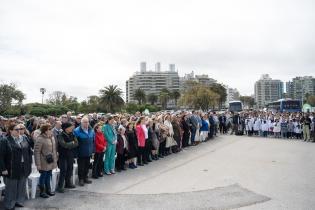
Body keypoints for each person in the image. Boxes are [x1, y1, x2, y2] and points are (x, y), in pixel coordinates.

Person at [0, 123, 32, 210]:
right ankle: (9, 204)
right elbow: (1, 156)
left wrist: (29, 164)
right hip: (11, 168)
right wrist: (3, 169)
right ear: (10, 131)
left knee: (21, 185)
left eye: (20, 129)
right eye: (16, 129)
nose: (19, 131)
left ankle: (19, 201)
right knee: (11, 187)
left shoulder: (24, 139)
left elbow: (29, 152)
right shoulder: (5, 140)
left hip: (23, 166)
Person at [34, 123, 58, 198]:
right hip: (43, 161)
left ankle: (48, 190)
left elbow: (54, 149)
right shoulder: (40, 139)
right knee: (43, 176)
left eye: (51, 128)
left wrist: (55, 159)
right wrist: (38, 164)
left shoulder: (51, 137)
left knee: (49, 175)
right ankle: (42, 191)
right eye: (49, 129)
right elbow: (36, 152)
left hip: (50, 161)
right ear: (45, 131)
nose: (51, 130)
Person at [56, 122, 78, 193]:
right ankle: (60, 186)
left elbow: (77, 143)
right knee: (63, 170)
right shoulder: (60, 135)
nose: (72, 128)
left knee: (70, 169)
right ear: (66, 128)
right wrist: (71, 143)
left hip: (70, 155)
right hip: (63, 156)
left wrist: (70, 144)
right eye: (71, 127)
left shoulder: (72, 134)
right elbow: (63, 145)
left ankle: (68, 183)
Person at [74, 117, 94, 186]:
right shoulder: (76, 131)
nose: (87, 123)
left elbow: (93, 141)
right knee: (81, 167)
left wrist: (92, 150)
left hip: (89, 152)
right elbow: (75, 143)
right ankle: (81, 179)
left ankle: (86, 178)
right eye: (85, 122)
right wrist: (76, 154)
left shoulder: (91, 130)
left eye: (87, 122)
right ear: (81, 123)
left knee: (87, 166)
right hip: (81, 152)